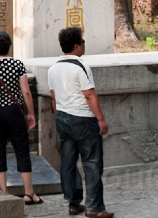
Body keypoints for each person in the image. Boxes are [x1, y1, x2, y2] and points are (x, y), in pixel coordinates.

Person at [47, 27, 113, 218]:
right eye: (83, 42)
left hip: (63, 118)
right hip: (83, 119)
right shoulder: (80, 67)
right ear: (77, 46)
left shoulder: (53, 69)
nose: (84, 45)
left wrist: (59, 116)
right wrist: (101, 119)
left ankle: (73, 202)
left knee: (68, 162)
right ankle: (94, 206)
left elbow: (53, 98)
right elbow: (89, 95)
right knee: (92, 162)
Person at [0, 31, 43, 205]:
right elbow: (26, 92)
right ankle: (29, 193)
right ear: (9, 47)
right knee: (22, 149)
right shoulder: (18, 64)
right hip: (14, 111)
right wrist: (31, 113)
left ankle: (4, 194)